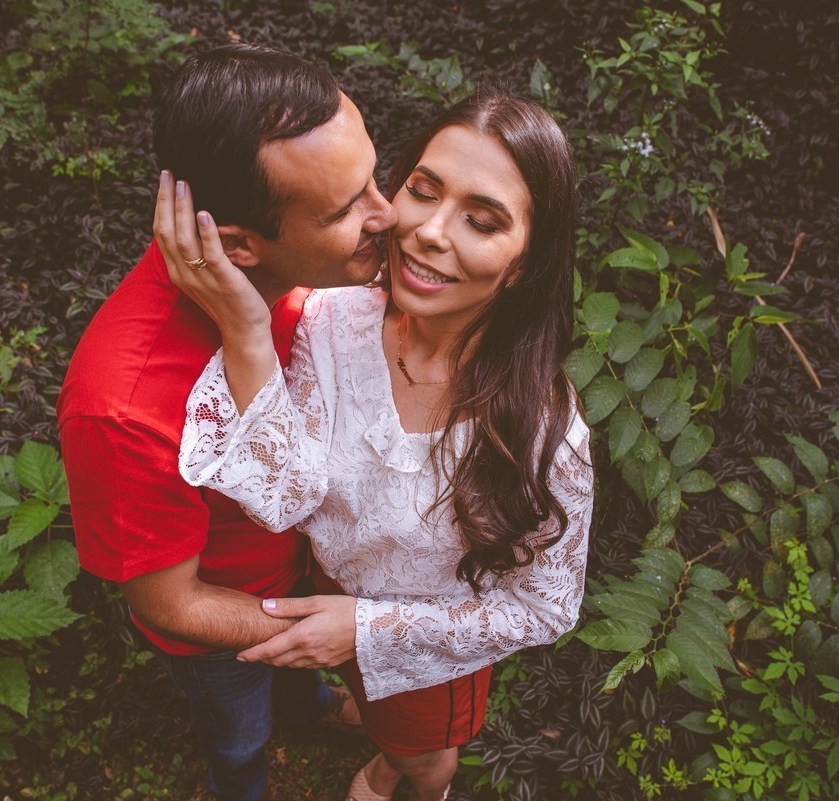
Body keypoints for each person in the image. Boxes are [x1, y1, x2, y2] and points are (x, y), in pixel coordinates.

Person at [161, 91, 593, 801]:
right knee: (382, 720)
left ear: (523, 263)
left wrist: (368, 629)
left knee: (427, 756)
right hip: (327, 596)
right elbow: (285, 495)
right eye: (422, 191)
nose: (428, 231)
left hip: (429, 648)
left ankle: (403, 774)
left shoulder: (542, 434)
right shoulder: (328, 321)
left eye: (482, 221)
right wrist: (245, 324)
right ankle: (385, 747)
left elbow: (543, 607)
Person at [56, 44, 397, 801]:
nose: (390, 213)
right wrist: (313, 633)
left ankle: (308, 704)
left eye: (377, 175)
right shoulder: (122, 408)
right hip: (225, 625)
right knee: (241, 736)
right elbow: (172, 602)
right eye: (346, 209)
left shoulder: (298, 273)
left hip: (301, 571)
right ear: (238, 245)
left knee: (295, 692)